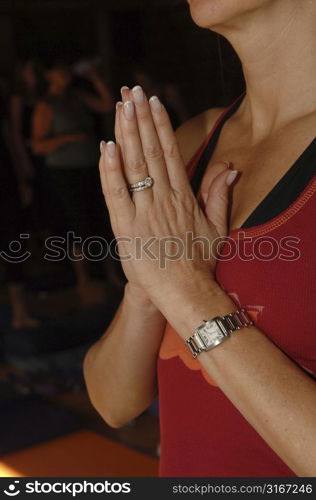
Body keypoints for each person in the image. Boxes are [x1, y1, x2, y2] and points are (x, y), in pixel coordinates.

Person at [84, 0, 316, 477]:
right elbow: (113, 402)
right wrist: (149, 289)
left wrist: (188, 293)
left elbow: (183, 292)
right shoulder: (190, 144)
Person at [31, 61, 116, 304]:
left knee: (101, 218)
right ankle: (83, 279)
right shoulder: (46, 105)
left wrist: (95, 78)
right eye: (59, 69)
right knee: (78, 223)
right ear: (48, 75)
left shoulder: (77, 96)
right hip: (64, 171)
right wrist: (69, 137)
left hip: (90, 165)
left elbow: (106, 104)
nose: (64, 73)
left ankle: (111, 275)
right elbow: (38, 145)